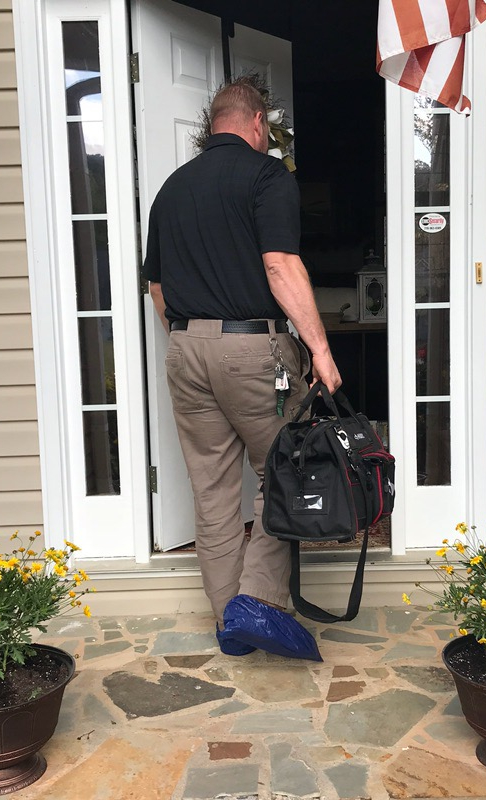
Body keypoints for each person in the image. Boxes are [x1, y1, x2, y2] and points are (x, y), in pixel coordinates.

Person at [143, 80, 341, 657]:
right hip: (254, 351)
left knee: (211, 493)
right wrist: (322, 353)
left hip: (185, 348)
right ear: (256, 123)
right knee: (286, 472)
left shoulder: (170, 190)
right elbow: (279, 267)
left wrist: (189, 342)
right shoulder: (266, 177)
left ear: (214, 124)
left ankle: (230, 624)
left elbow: (157, 289)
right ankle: (254, 604)